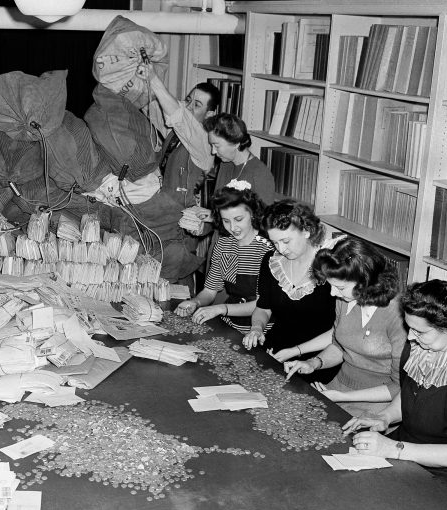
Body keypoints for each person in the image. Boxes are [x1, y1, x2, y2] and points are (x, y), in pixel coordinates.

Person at [344, 280, 447, 506]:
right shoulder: (421, 346)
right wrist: (385, 417)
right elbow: (412, 390)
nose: (410, 337)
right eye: (410, 328)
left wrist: (394, 449)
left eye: (419, 331)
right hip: (407, 448)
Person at [276, 237, 406, 416]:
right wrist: (313, 363)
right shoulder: (345, 300)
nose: (333, 293)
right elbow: (339, 346)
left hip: (379, 401)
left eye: (340, 287)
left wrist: (343, 396)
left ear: (365, 281)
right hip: (338, 387)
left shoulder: (397, 314)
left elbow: (399, 387)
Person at [130, 63, 220, 284]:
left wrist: (154, 79)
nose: (188, 106)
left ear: (210, 114)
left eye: (196, 104)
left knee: (174, 284)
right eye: (188, 99)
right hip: (159, 219)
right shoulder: (177, 134)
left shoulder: (205, 144)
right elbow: (154, 105)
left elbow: (178, 115)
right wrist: (139, 75)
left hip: (180, 230)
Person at [174, 180, 272, 332]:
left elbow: (262, 305)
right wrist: (195, 302)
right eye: (226, 221)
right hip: (231, 324)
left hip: (261, 329)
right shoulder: (224, 245)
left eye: (238, 219)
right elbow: (209, 291)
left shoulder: (267, 249)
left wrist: (221, 309)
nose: (233, 228)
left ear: (252, 213)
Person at [242, 200, 335, 357]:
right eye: (275, 242)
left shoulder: (332, 267)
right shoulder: (272, 261)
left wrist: (301, 356)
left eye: (286, 241)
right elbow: (263, 308)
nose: (281, 249)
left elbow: (341, 333)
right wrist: (257, 329)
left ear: (307, 231)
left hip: (317, 357)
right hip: (275, 349)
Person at [203, 113, 275, 204]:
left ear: (236, 143)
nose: (213, 151)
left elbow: (265, 216)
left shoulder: (260, 174)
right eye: (211, 145)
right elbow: (217, 205)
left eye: (216, 146)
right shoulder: (225, 165)